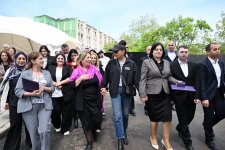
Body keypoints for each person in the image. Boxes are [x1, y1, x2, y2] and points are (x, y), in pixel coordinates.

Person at [139, 42, 181, 150]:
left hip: (165, 94)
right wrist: (142, 94)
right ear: (152, 51)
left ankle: (166, 140)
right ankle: (153, 137)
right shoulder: (146, 62)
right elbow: (142, 79)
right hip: (152, 94)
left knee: (167, 118)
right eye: (156, 49)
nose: (159, 51)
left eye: (161, 50)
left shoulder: (167, 63)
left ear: (163, 52)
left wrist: (177, 82)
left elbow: (169, 77)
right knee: (154, 118)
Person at [101, 44, 139, 150]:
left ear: (123, 51)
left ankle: (124, 132)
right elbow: (106, 77)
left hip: (127, 93)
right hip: (115, 92)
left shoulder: (131, 64)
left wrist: (142, 94)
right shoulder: (111, 63)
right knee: (117, 116)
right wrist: (103, 87)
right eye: (113, 51)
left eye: (116, 51)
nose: (114, 53)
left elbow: (136, 80)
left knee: (125, 115)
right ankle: (120, 138)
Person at [15, 52, 54, 150]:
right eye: (40, 59)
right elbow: (18, 91)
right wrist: (32, 94)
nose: (43, 60)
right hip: (29, 107)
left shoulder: (46, 73)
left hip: (45, 106)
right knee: (33, 134)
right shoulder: (24, 74)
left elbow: (52, 88)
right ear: (33, 61)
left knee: (44, 131)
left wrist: (44, 88)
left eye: (43, 58)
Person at [67, 51, 102, 150]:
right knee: (86, 123)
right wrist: (81, 78)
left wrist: (103, 89)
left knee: (97, 119)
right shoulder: (77, 71)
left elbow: (100, 81)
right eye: (88, 57)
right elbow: (71, 85)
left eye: (91, 57)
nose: (90, 59)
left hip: (94, 99)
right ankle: (89, 143)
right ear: (82, 60)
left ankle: (93, 130)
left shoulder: (95, 69)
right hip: (82, 101)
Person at [170, 45, 199, 150]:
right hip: (179, 96)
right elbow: (169, 79)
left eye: (186, 52)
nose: (184, 53)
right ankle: (188, 142)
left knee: (190, 116)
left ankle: (179, 128)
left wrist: (197, 95)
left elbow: (197, 81)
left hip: (191, 96)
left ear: (188, 53)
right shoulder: (172, 65)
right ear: (178, 53)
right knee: (182, 118)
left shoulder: (194, 66)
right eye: (182, 52)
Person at [1, 51, 32, 150]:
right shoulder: (11, 71)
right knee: (15, 125)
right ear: (15, 60)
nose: (21, 60)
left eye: (23, 59)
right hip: (13, 102)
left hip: (27, 101)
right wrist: (6, 101)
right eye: (19, 58)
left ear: (26, 60)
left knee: (29, 124)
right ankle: (12, 147)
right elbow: (7, 88)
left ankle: (30, 143)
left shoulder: (29, 71)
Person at [198, 43, 225, 150]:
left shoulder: (221, 63)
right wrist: (204, 97)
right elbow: (202, 82)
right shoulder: (203, 64)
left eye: (218, 49)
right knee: (208, 117)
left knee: (222, 113)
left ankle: (206, 125)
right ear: (208, 51)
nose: (217, 51)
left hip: (219, 93)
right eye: (215, 49)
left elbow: (223, 78)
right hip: (208, 95)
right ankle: (209, 139)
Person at [48, 53, 74, 136]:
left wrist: (60, 83)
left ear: (64, 60)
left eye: (62, 58)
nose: (60, 60)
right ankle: (57, 124)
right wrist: (55, 84)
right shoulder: (50, 68)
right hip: (53, 93)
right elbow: (47, 77)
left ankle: (65, 128)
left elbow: (70, 77)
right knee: (55, 111)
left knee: (66, 112)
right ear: (56, 59)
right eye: (58, 58)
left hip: (65, 92)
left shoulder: (68, 67)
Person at [118, 40, 136, 116]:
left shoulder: (130, 55)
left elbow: (133, 66)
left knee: (130, 95)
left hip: (129, 79)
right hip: (120, 78)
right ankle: (122, 110)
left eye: (125, 46)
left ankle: (131, 109)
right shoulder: (116, 54)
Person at [66, 49, 79, 128]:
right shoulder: (67, 64)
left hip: (81, 85)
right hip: (71, 86)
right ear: (69, 56)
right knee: (73, 103)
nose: (74, 57)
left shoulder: (80, 63)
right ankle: (75, 119)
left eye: (75, 55)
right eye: (72, 55)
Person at [140, 45, 152, 116]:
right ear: (146, 51)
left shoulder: (156, 59)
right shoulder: (143, 59)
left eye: (151, 49)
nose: (150, 50)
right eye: (148, 49)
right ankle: (147, 109)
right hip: (146, 80)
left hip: (153, 81)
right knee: (147, 96)